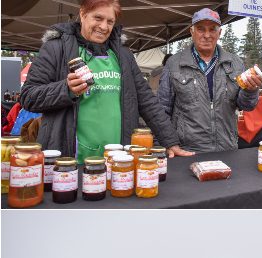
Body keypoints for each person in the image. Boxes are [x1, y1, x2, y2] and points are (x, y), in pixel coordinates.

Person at [20, 0, 179, 163]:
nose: (104, 27)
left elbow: (147, 101)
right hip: (69, 160)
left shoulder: (123, 55)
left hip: (118, 160)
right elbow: (28, 97)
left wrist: (170, 141)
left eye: (110, 21)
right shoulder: (56, 49)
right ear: (83, 14)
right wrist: (65, 89)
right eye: (98, 18)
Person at [158, 8, 262, 154]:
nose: (206, 35)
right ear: (192, 32)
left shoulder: (235, 63)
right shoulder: (174, 64)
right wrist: (166, 144)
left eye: (212, 29)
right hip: (187, 152)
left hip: (227, 150)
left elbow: (246, 106)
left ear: (219, 33)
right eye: (201, 29)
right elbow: (162, 110)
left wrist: (251, 91)